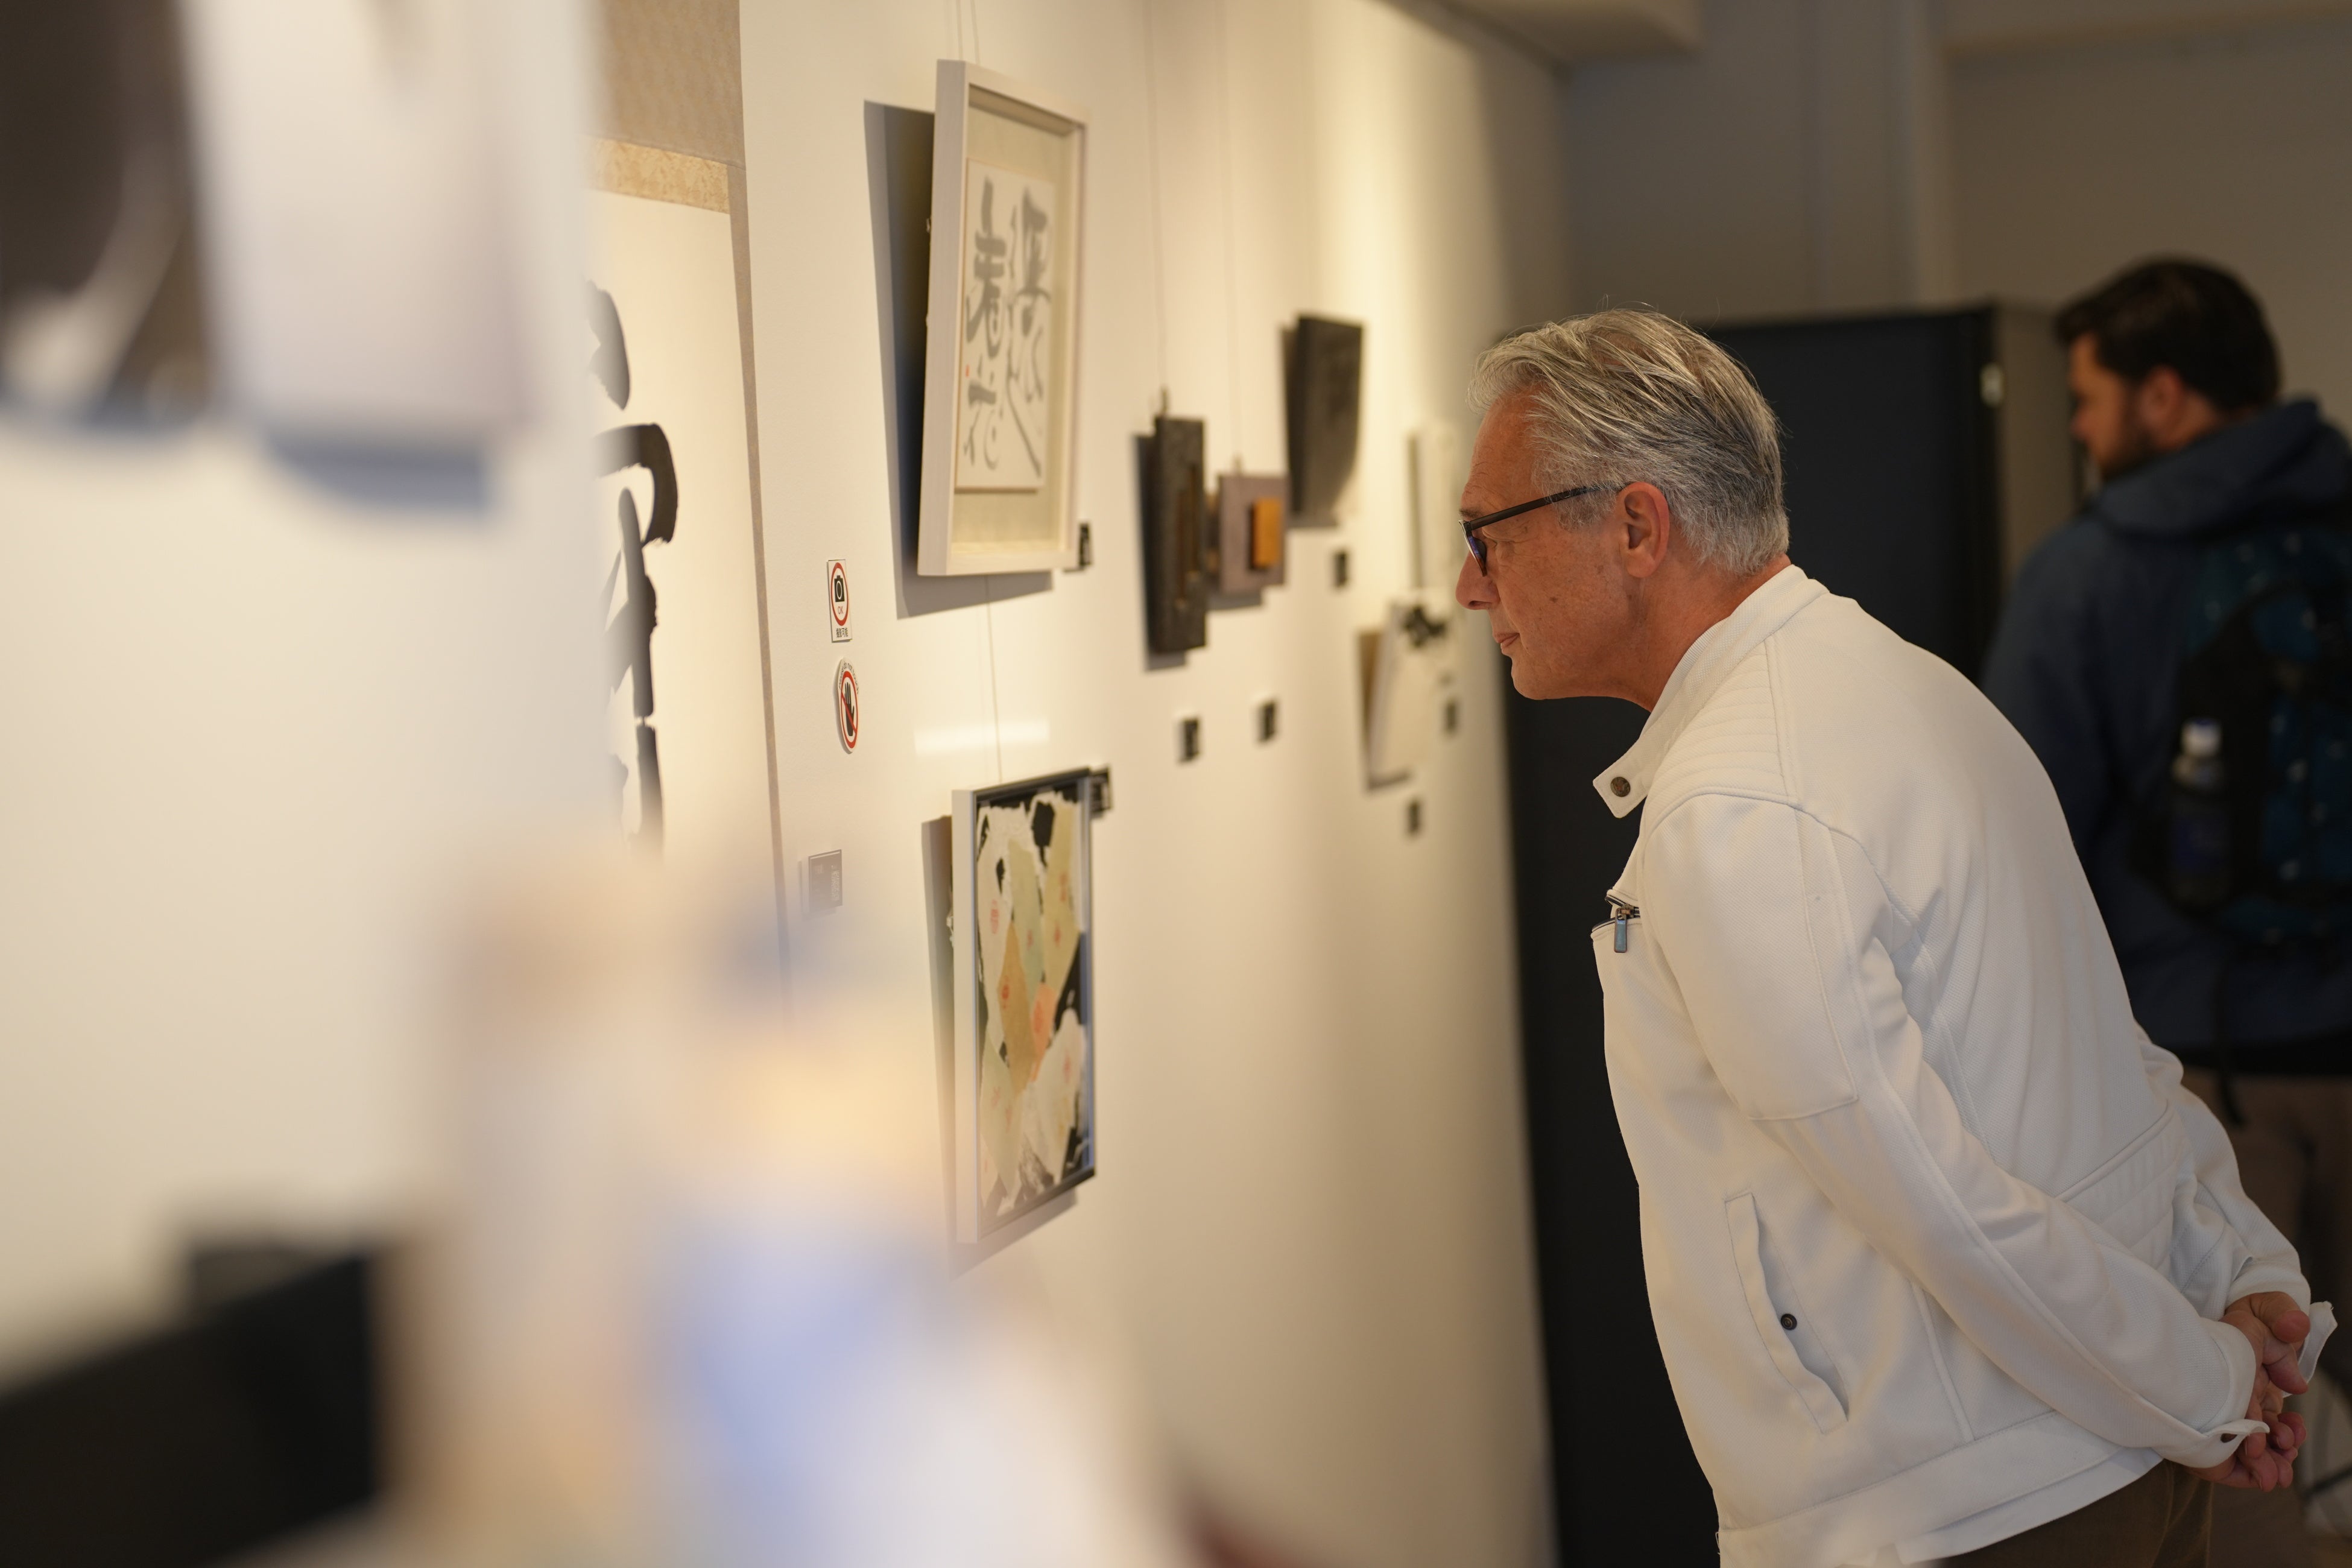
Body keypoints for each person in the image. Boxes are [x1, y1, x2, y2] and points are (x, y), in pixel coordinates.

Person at [1458, 308, 2332, 1567]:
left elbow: (1940, 1207)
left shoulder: (1739, 804)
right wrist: (2237, 1279)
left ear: (1638, 526)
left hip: (1971, 1509)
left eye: (1488, 534)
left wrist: (2211, 1381)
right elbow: (2119, 1067)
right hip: (2094, 1454)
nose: (1469, 585)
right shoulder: (1905, 684)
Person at [1982, 261, 2352, 1567]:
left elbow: (2019, 848)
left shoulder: (2086, 574)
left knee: (2244, 1414)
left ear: (2164, 395)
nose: (2080, 431)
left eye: (2088, 401)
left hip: (2210, 1083)